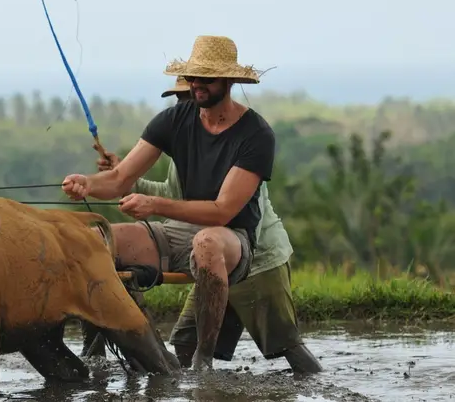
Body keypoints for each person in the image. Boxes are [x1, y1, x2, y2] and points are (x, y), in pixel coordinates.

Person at [62, 35, 313, 371]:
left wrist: (153, 204)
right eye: (191, 78)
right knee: (97, 241)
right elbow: (120, 180)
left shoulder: (256, 135)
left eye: (204, 79)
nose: (194, 87)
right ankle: (101, 352)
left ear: (228, 81)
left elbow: (223, 211)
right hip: (193, 239)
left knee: (288, 349)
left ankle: (207, 366)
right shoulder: (174, 121)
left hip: (248, 250)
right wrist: (88, 184)